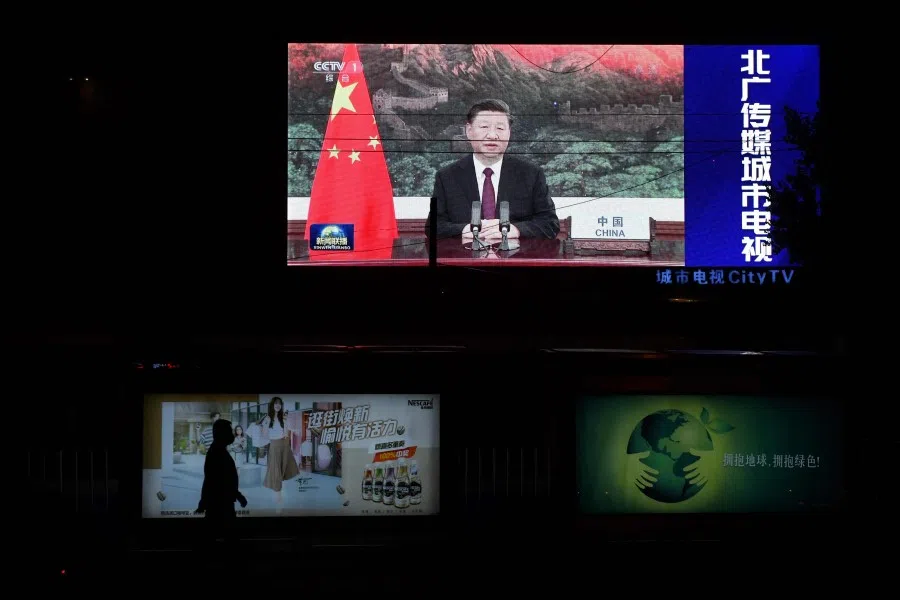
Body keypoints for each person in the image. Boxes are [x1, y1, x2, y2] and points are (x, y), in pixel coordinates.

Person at [427, 98, 560, 243]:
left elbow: (550, 224)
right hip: (465, 260)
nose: (492, 135)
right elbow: (433, 226)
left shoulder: (531, 174)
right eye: (484, 127)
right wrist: (465, 229)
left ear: (509, 133)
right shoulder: (447, 176)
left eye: (500, 128)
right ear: (469, 131)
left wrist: (514, 230)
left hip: (516, 260)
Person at [196, 419, 248, 520]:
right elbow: (213, 480)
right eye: (230, 431)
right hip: (221, 507)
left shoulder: (217, 450)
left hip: (221, 504)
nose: (233, 434)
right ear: (223, 433)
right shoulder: (217, 452)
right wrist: (239, 496)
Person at [258, 397, 300, 514]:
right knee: (276, 473)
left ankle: (280, 498)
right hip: (274, 446)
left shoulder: (283, 418)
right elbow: (265, 435)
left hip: (284, 445)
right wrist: (266, 423)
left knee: (284, 470)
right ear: (272, 405)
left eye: (279, 404)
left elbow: (286, 434)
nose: (277, 405)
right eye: (276, 403)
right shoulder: (267, 418)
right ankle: (278, 502)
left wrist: (286, 423)